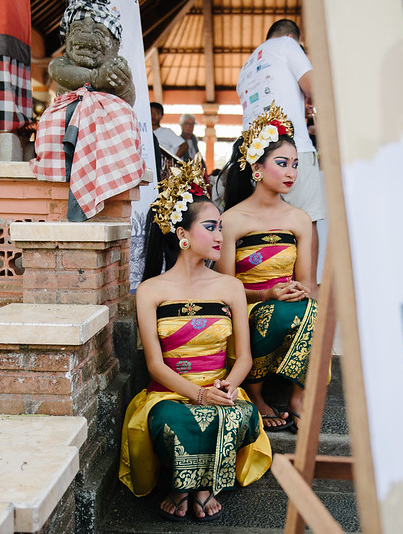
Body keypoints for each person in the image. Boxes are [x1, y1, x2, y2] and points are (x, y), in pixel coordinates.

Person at [119, 156, 271, 521]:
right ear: (182, 235)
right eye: (211, 227)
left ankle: (200, 488)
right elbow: (155, 364)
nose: (220, 235)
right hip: (169, 393)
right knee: (176, 417)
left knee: (239, 416)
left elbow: (245, 359)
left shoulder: (231, 287)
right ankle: (183, 486)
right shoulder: (150, 291)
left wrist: (229, 388)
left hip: (222, 387)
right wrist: (199, 394)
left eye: (221, 227)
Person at [217, 102, 318, 432]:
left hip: (291, 303)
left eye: (295, 165)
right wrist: (266, 292)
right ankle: (255, 393)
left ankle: (298, 399)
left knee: (317, 311)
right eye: (282, 163)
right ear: (257, 168)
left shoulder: (300, 220)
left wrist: (301, 290)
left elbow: (307, 282)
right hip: (248, 306)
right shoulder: (231, 221)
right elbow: (223, 288)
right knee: (273, 313)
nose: (292, 172)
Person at [236, 19, 325, 281]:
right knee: (306, 222)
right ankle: (309, 291)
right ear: (292, 36)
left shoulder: (247, 65)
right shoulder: (288, 44)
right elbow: (314, 86)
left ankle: (272, 286)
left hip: (257, 158)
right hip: (291, 149)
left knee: (268, 227)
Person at [48, 0, 135, 105]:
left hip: (105, 117)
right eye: (77, 29)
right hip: (70, 115)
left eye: (98, 32)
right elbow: (57, 71)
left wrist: (124, 88)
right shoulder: (63, 63)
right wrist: (96, 78)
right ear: (67, 39)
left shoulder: (114, 68)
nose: (86, 34)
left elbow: (128, 101)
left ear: (115, 45)